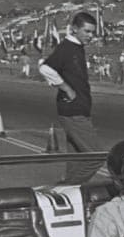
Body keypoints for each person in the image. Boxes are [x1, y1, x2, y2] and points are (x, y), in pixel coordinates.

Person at [39, 12, 102, 181]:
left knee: (77, 159)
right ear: (74, 29)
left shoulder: (76, 47)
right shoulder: (66, 48)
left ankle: (69, 191)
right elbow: (45, 68)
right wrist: (66, 88)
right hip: (73, 111)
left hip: (78, 109)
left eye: (93, 32)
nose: (90, 36)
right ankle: (68, 186)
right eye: (87, 31)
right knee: (96, 157)